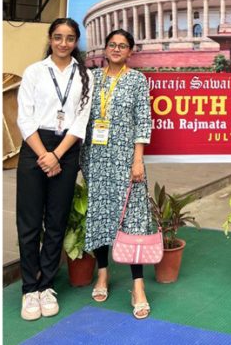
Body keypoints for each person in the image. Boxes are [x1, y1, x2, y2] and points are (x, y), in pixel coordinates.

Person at [16, 18, 93, 320]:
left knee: (56, 221)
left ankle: (46, 285)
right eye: (58, 37)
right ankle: (28, 289)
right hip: (35, 146)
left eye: (70, 38)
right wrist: (44, 155)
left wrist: (57, 155)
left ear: (76, 41)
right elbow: (25, 118)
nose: (63, 43)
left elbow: (80, 120)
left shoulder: (85, 74)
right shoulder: (34, 72)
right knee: (30, 222)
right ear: (49, 39)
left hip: (66, 148)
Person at [80, 29, 153, 320]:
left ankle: (138, 286)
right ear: (105, 48)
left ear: (130, 51)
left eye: (122, 46)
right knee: (99, 214)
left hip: (126, 160)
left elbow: (143, 121)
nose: (116, 49)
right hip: (96, 158)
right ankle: (102, 274)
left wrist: (138, 160)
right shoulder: (91, 78)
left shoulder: (137, 80)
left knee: (133, 220)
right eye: (112, 44)